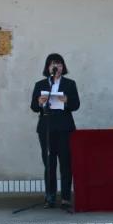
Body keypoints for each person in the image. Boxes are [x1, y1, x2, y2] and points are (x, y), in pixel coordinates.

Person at [29, 53, 80, 209]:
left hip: (64, 128)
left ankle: (65, 198)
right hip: (46, 128)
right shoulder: (40, 84)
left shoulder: (70, 84)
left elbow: (76, 105)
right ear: (48, 67)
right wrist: (39, 102)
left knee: (65, 164)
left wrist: (67, 100)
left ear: (63, 67)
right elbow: (33, 107)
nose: (56, 66)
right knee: (49, 164)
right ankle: (50, 197)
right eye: (53, 64)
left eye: (59, 64)